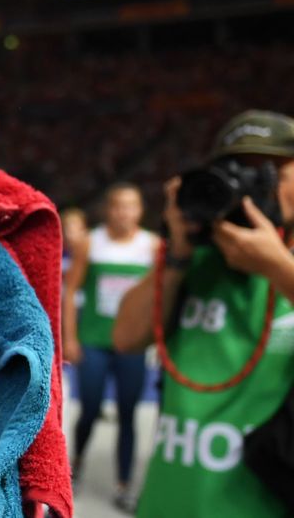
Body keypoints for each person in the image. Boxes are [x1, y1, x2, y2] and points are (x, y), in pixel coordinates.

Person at [113, 110, 294, 518]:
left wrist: (277, 267)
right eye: (236, 173)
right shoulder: (195, 262)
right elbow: (125, 337)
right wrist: (177, 249)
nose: (249, 191)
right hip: (167, 503)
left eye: (270, 173)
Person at [62, 182, 157, 510]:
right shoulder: (91, 243)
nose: (123, 212)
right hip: (94, 342)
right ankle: (75, 462)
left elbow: (159, 296)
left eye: (130, 206)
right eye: (117, 206)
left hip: (131, 345)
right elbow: (70, 291)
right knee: (88, 409)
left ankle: (124, 483)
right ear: (107, 209)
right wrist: (70, 337)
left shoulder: (152, 246)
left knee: (128, 413)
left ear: (140, 210)